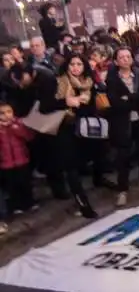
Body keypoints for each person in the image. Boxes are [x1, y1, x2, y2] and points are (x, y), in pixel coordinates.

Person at [40, 54, 100, 218]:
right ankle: (83, 203)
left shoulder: (88, 84)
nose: (75, 67)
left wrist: (82, 105)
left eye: (79, 64)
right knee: (71, 168)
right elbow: (45, 106)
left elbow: (91, 107)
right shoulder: (57, 81)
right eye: (72, 64)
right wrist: (65, 102)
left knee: (82, 164)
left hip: (82, 130)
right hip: (63, 129)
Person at [106, 46, 139, 207]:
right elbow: (115, 103)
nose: (125, 60)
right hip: (122, 123)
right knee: (123, 157)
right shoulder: (112, 79)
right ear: (116, 61)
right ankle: (123, 190)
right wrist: (134, 100)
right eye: (121, 57)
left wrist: (129, 98)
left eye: (128, 56)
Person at [0, 102, 36, 214]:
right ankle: (16, 205)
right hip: (6, 162)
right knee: (12, 185)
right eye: (2, 113)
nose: (6, 115)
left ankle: (29, 203)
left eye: (9, 112)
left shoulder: (19, 123)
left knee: (25, 182)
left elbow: (29, 136)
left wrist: (15, 128)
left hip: (22, 159)